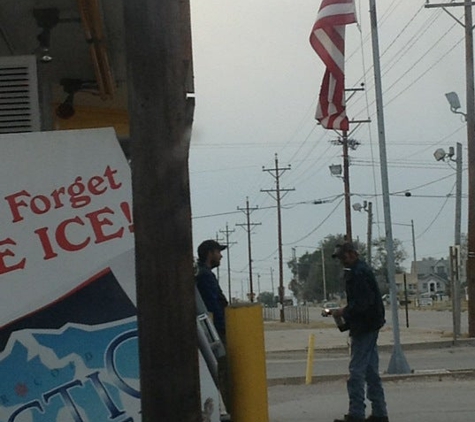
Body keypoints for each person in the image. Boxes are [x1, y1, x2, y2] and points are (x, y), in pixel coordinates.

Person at [330, 242, 389, 422]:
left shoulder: (358, 274)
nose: (341, 260)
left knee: (356, 371)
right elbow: (365, 302)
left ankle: (356, 414)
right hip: (370, 324)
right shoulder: (360, 271)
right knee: (371, 371)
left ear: (353, 254)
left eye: (343, 256)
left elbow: (362, 304)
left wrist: (343, 312)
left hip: (365, 326)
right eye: (340, 257)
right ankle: (380, 413)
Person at [195, 239, 228, 342]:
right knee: (222, 356)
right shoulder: (205, 275)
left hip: (209, 327)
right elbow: (213, 303)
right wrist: (223, 326)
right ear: (210, 253)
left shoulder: (200, 272)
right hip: (213, 329)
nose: (221, 256)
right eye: (218, 252)